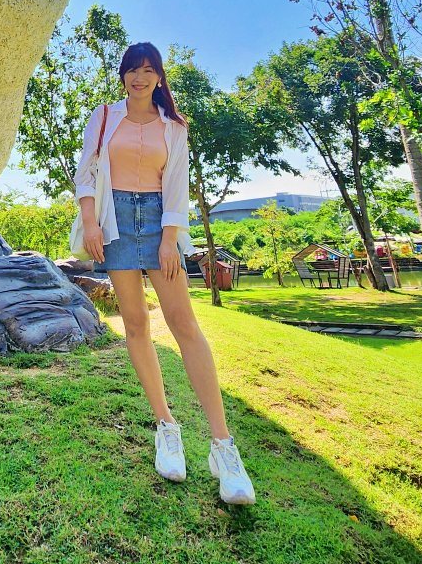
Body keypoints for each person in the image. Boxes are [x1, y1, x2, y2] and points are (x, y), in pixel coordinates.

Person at [73, 42, 256, 506]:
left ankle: (223, 447)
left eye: (148, 70)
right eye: (133, 69)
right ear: (123, 75)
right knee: (135, 324)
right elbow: (88, 170)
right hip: (115, 223)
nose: (139, 77)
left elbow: (175, 185)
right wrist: (91, 220)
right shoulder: (104, 115)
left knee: (185, 326)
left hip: (158, 224)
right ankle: (166, 427)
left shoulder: (174, 127)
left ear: (159, 77)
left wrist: (170, 237)